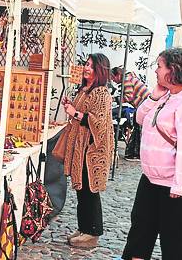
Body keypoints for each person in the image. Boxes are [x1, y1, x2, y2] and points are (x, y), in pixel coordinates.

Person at [122, 48, 182, 260]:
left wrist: (179, 184)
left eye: (159, 67)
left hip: (175, 183)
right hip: (153, 177)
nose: (156, 72)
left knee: (173, 237)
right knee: (141, 229)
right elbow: (141, 119)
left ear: (173, 69)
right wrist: (153, 97)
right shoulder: (168, 95)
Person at [52, 53, 114, 249]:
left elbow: (99, 123)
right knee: (81, 191)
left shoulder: (101, 93)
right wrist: (71, 107)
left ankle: (92, 232)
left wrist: (75, 113)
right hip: (81, 149)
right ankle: (83, 227)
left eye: (91, 66)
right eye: (86, 64)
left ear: (100, 70)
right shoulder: (85, 90)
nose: (87, 68)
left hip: (92, 151)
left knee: (89, 191)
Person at [111, 67, 150, 161]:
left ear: (118, 75)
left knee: (138, 129)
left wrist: (114, 99)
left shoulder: (126, 80)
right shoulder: (128, 79)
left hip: (144, 105)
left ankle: (136, 153)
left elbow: (128, 97)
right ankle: (135, 153)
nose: (113, 80)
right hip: (144, 105)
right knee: (138, 128)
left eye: (113, 77)